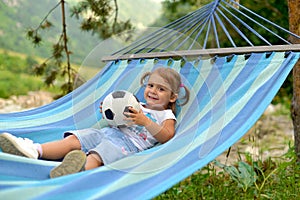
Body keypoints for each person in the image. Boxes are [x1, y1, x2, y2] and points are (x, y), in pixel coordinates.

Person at [0, 67, 190, 178]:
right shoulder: (135, 103)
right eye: (150, 86)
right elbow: (119, 122)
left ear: (172, 97)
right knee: (75, 139)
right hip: (107, 132)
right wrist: (111, 112)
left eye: (161, 89)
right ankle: (35, 150)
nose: (153, 91)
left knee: (98, 155)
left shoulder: (166, 116)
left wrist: (145, 121)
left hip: (128, 145)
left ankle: (77, 171)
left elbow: (167, 136)